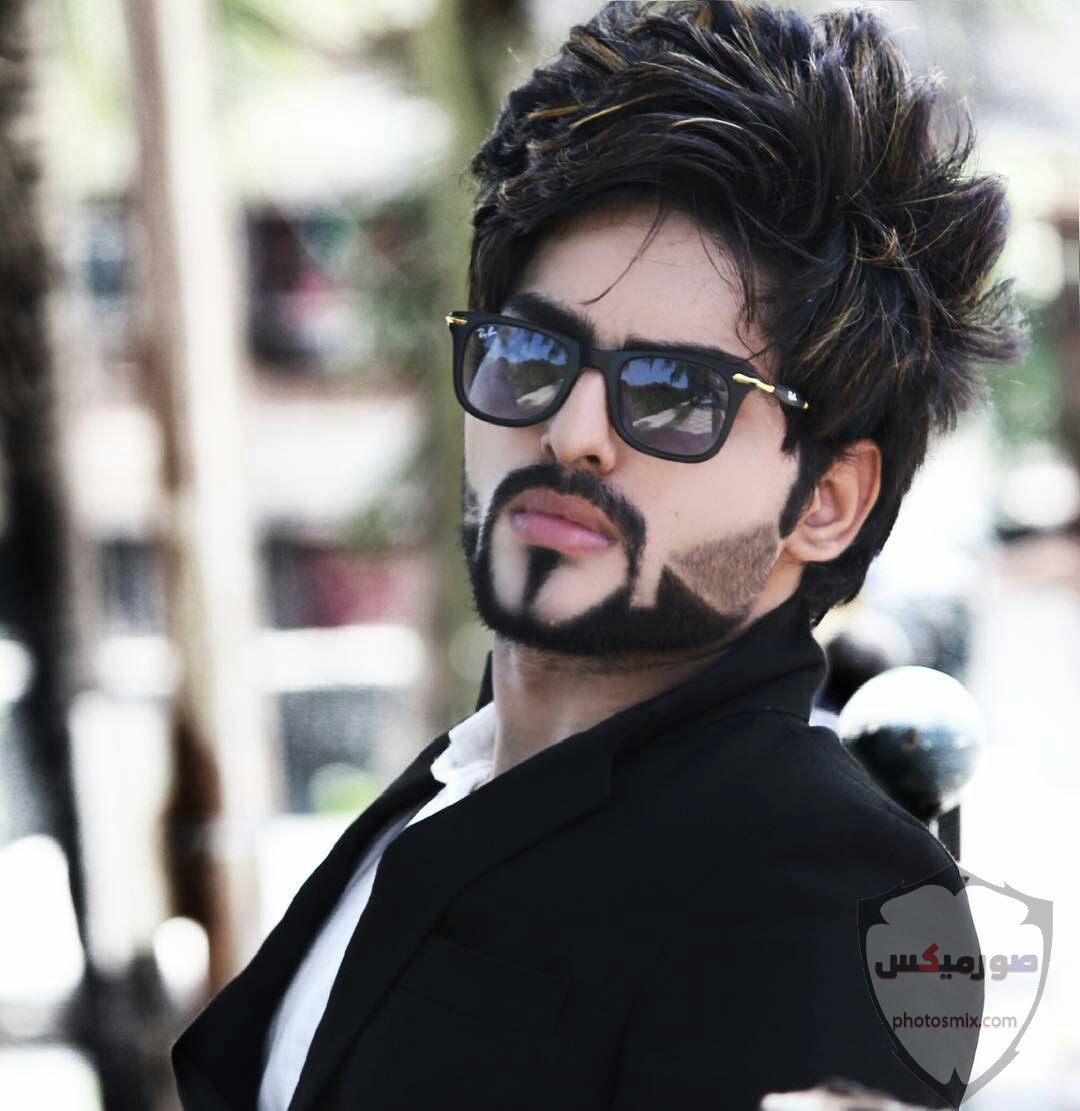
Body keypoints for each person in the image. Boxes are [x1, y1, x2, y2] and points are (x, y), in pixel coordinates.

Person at [173, 2, 1024, 1108]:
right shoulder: (461, 781)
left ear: (825, 501)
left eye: (674, 392)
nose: (571, 430)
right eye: (533, 352)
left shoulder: (839, 887)